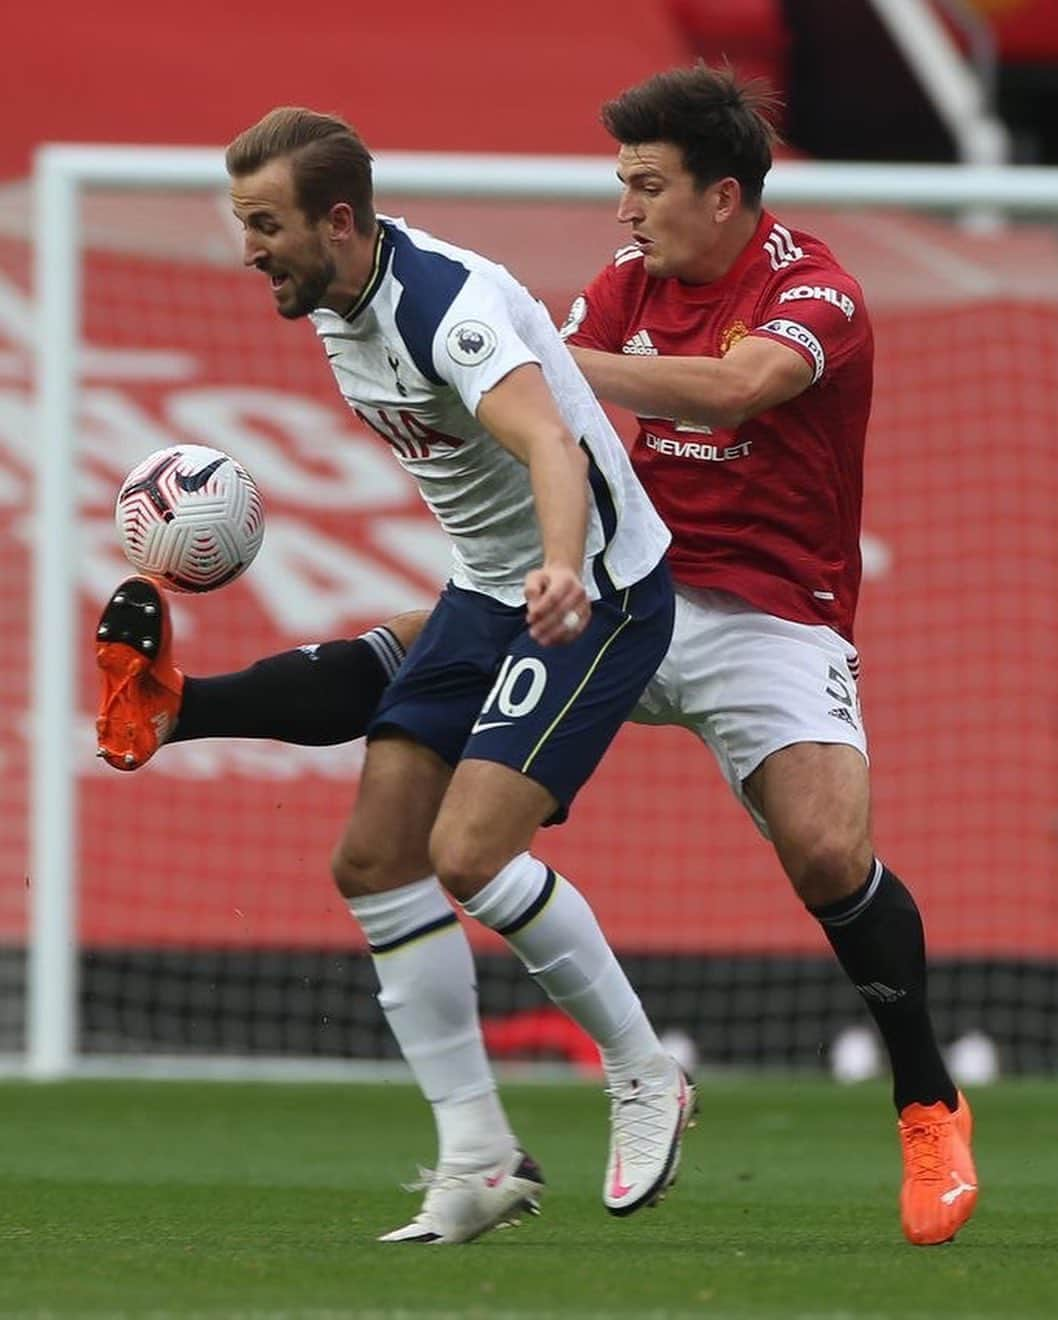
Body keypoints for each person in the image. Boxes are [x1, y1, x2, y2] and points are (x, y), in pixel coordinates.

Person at [97, 65, 977, 1248]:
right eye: (620, 185)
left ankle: (922, 1098)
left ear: (724, 198)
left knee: (824, 851)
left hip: (757, 607)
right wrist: (524, 386)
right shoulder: (609, 285)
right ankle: (172, 709)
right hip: (587, 576)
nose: (625, 212)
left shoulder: (814, 291)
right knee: (394, 754)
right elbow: (535, 408)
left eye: (647, 187)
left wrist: (527, 373)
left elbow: (727, 394)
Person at [96, 106, 696, 1246]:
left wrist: (563, 571)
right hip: (484, 588)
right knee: (373, 858)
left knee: (468, 853)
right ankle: (476, 1157)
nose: (248, 250)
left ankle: (643, 1073)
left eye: (265, 224)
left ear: (338, 219)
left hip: (596, 596)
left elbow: (551, 445)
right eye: (240, 224)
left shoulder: (442, 307)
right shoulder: (333, 302)